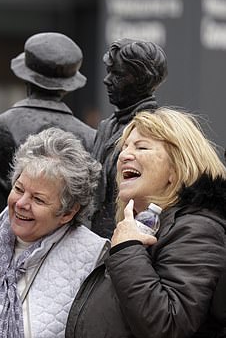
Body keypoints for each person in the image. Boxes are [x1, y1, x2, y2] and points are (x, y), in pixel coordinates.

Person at [66, 108, 226, 338]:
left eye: (141, 147)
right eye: (124, 148)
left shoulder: (197, 229)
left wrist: (127, 250)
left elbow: (168, 324)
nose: (124, 156)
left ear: (176, 168)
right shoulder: (147, 226)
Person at [0, 127, 108, 337]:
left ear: (68, 212)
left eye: (38, 199)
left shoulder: (92, 259)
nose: (21, 203)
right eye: (18, 189)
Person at [0, 32, 95, 220]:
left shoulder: (1, 126)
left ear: (27, 77)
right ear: (67, 85)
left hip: (13, 232)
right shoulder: (88, 135)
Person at [90, 38, 167, 237]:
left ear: (142, 79)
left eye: (118, 74)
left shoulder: (156, 130)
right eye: (109, 72)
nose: (107, 80)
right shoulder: (107, 126)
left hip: (128, 239)